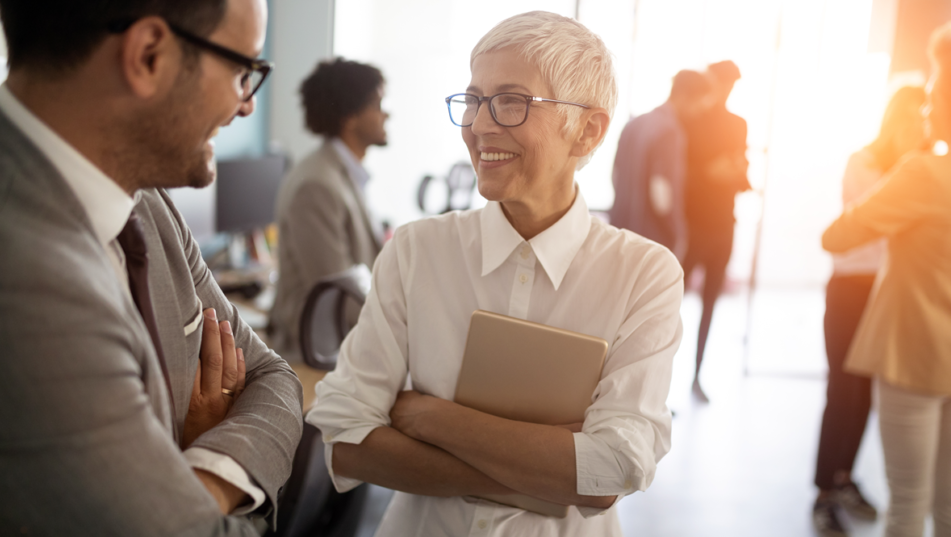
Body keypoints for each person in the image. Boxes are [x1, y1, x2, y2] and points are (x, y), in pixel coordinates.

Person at [306, 11, 683, 536]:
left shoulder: (643, 273)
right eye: (475, 100)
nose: (480, 125)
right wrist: (548, 473)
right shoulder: (417, 250)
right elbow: (346, 441)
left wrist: (430, 419)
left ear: (586, 129)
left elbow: (613, 468)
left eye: (511, 102)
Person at [0, 0, 304, 534]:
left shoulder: (148, 201)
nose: (246, 106)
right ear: (148, 55)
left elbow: (274, 375)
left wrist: (203, 477)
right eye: (241, 70)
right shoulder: (25, 278)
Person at [822, 27, 951, 537]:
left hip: (914, 353)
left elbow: (837, 235)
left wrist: (899, 174)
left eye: (938, 85)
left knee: (907, 499)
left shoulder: (923, 172)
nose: (929, 98)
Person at [811, 86, 927, 537]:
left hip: (888, 291)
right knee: (842, 391)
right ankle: (823, 491)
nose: (922, 125)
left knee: (864, 394)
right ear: (896, 118)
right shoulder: (865, 161)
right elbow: (877, 225)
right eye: (915, 116)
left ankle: (844, 479)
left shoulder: (919, 168)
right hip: (851, 290)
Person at [270, 58, 387, 361]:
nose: (386, 114)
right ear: (350, 117)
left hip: (345, 342)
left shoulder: (344, 174)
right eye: (377, 104)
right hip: (317, 353)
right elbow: (341, 297)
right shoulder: (317, 185)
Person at [681, 59, 751, 402]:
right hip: (693, 227)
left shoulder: (738, 124)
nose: (727, 91)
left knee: (710, 304)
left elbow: (743, 171)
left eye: (732, 85)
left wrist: (729, 172)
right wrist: (711, 173)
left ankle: (697, 375)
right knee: (668, 303)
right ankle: (656, 380)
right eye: (724, 83)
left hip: (724, 226)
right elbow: (685, 175)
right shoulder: (691, 121)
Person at [609, 70, 709, 260]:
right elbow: (661, 194)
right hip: (650, 240)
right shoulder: (670, 131)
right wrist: (677, 234)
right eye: (700, 102)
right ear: (685, 96)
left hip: (619, 231)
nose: (701, 111)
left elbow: (615, 176)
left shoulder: (633, 124)